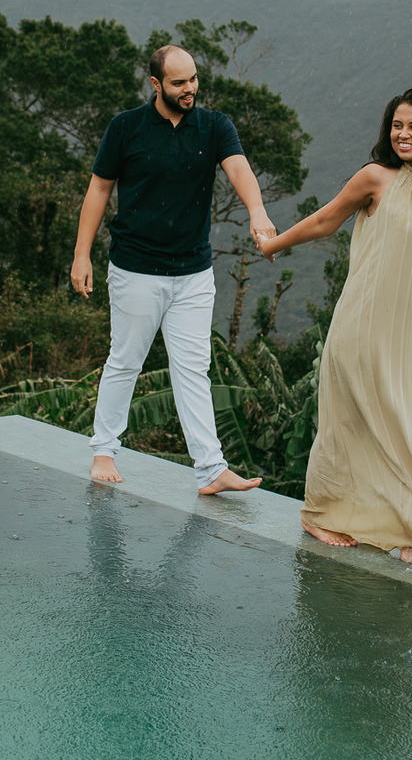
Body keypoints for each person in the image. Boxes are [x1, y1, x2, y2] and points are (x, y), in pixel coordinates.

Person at [259, 88, 412, 571]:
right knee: (349, 427)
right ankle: (319, 514)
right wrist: (275, 243)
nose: (404, 134)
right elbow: (324, 221)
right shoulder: (376, 178)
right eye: (398, 125)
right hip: (365, 329)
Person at [72, 43, 277, 493]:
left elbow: (239, 169)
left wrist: (257, 211)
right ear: (155, 84)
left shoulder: (214, 126)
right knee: (125, 361)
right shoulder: (126, 128)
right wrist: (81, 254)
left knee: (193, 369)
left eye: (194, 79)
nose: (190, 89)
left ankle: (211, 469)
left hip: (193, 274)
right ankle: (104, 450)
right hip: (136, 270)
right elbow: (99, 189)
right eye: (179, 82)